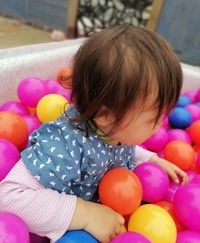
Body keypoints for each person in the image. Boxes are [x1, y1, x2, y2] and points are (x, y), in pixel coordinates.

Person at [0, 25, 188, 243]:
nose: (161, 123)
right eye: (154, 117)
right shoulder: (65, 147)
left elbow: (118, 145)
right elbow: (8, 197)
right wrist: (86, 214)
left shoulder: (112, 129)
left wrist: (152, 158)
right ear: (105, 115)